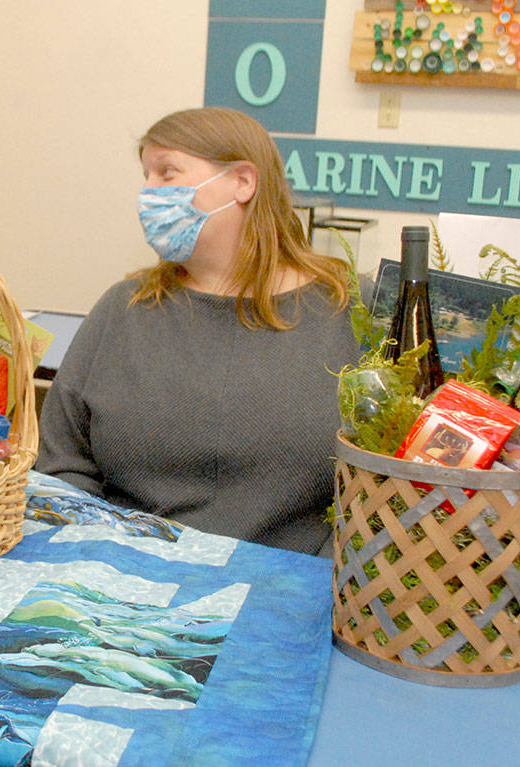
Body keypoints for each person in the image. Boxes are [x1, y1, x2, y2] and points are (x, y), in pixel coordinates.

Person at [35, 107, 360, 555]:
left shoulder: (343, 311)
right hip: (124, 575)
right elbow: (63, 463)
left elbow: (379, 490)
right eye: (146, 176)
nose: (148, 193)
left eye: (167, 172)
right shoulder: (123, 310)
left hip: (294, 583)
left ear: (243, 182)